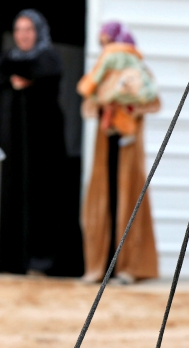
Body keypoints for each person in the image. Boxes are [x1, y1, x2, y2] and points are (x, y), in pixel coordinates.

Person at [0, 9, 84, 277]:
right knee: (12, 197)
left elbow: (45, 70)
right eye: (19, 30)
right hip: (14, 146)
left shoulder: (48, 56)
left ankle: (44, 259)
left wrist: (14, 74)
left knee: (44, 199)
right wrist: (13, 77)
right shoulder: (10, 58)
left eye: (28, 30)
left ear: (38, 32)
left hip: (43, 146)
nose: (23, 36)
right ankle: (14, 259)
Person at [78, 21, 161, 284]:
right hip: (106, 145)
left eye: (108, 41)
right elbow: (88, 106)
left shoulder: (137, 70)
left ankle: (129, 267)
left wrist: (128, 107)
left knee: (128, 200)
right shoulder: (102, 71)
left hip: (128, 147)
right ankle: (98, 266)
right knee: (103, 202)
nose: (105, 47)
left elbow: (153, 102)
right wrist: (105, 103)